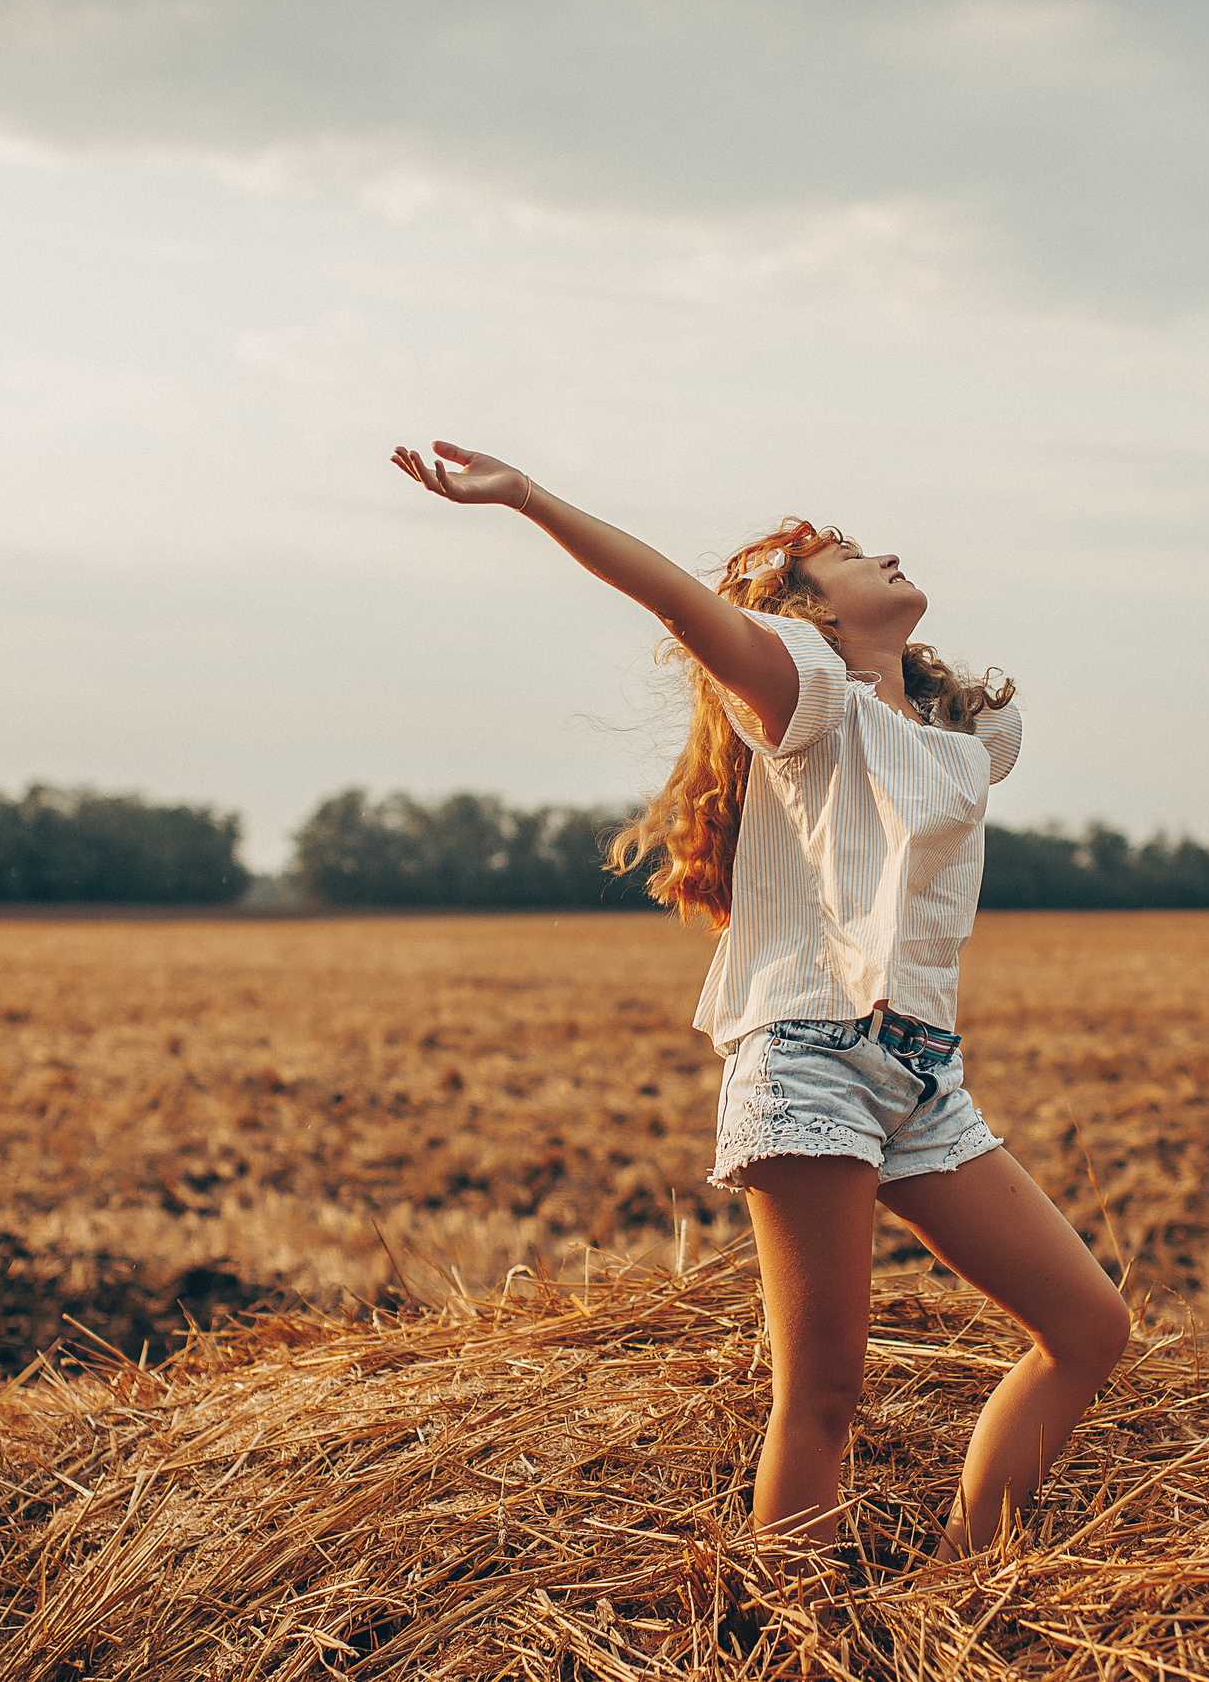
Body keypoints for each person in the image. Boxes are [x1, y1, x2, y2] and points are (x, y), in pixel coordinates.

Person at [391, 441, 1131, 1560]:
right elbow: (677, 599)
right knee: (825, 1393)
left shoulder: (955, 735)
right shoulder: (803, 696)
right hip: (807, 1059)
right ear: (803, 614)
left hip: (923, 1074)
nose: (882, 553)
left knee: (1086, 1328)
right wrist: (529, 496)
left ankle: (966, 1594)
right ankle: (793, 1636)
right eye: (842, 557)